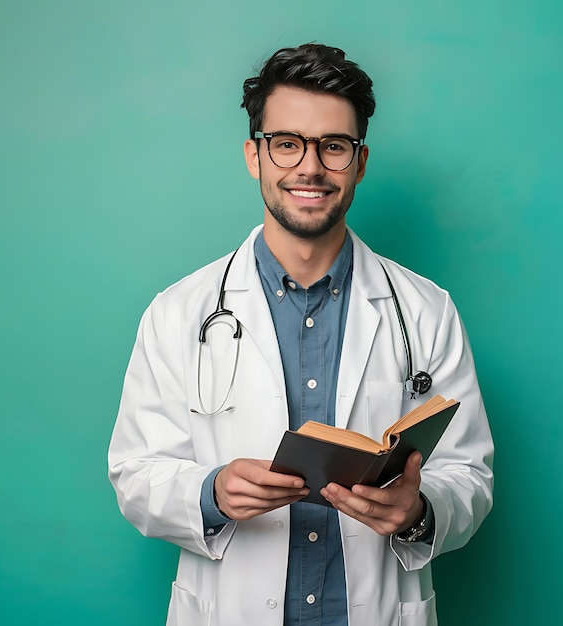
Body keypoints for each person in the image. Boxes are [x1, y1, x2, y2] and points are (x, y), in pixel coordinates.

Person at [108, 43, 494, 626]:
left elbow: (470, 476)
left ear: (360, 162)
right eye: (286, 143)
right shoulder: (178, 312)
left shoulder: (425, 310)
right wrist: (212, 494)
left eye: (333, 146)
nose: (308, 167)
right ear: (253, 156)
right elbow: (136, 473)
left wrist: (417, 510)